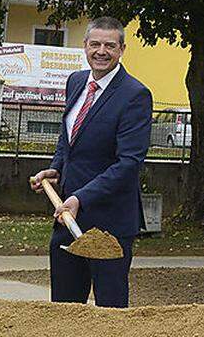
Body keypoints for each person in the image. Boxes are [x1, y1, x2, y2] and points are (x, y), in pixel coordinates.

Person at [30, 16, 152, 308]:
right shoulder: (75, 82)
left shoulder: (135, 95)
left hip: (109, 223)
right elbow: (68, 138)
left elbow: (129, 163)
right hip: (67, 219)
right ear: (84, 46)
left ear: (122, 49)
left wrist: (80, 198)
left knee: (109, 313)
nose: (101, 51)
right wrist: (56, 168)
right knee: (65, 308)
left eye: (110, 45)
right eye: (95, 44)